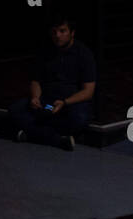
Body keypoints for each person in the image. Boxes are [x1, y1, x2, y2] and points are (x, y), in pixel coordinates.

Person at [6, 14, 96, 150]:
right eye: (54, 32)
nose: (57, 36)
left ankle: (31, 134)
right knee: (15, 110)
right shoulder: (45, 51)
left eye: (62, 31)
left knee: (79, 118)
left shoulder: (84, 54)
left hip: (68, 103)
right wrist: (35, 97)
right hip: (47, 102)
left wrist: (65, 102)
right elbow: (36, 80)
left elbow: (88, 91)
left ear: (72, 33)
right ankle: (57, 139)